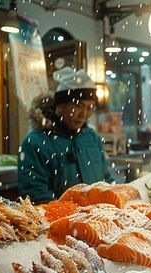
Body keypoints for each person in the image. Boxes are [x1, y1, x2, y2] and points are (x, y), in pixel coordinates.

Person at [18, 67, 113, 204]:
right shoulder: (35, 142)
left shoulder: (92, 138)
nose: (84, 114)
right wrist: (71, 217)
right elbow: (35, 193)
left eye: (90, 108)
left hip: (99, 219)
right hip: (58, 222)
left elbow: (106, 178)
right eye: (78, 105)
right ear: (60, 106)